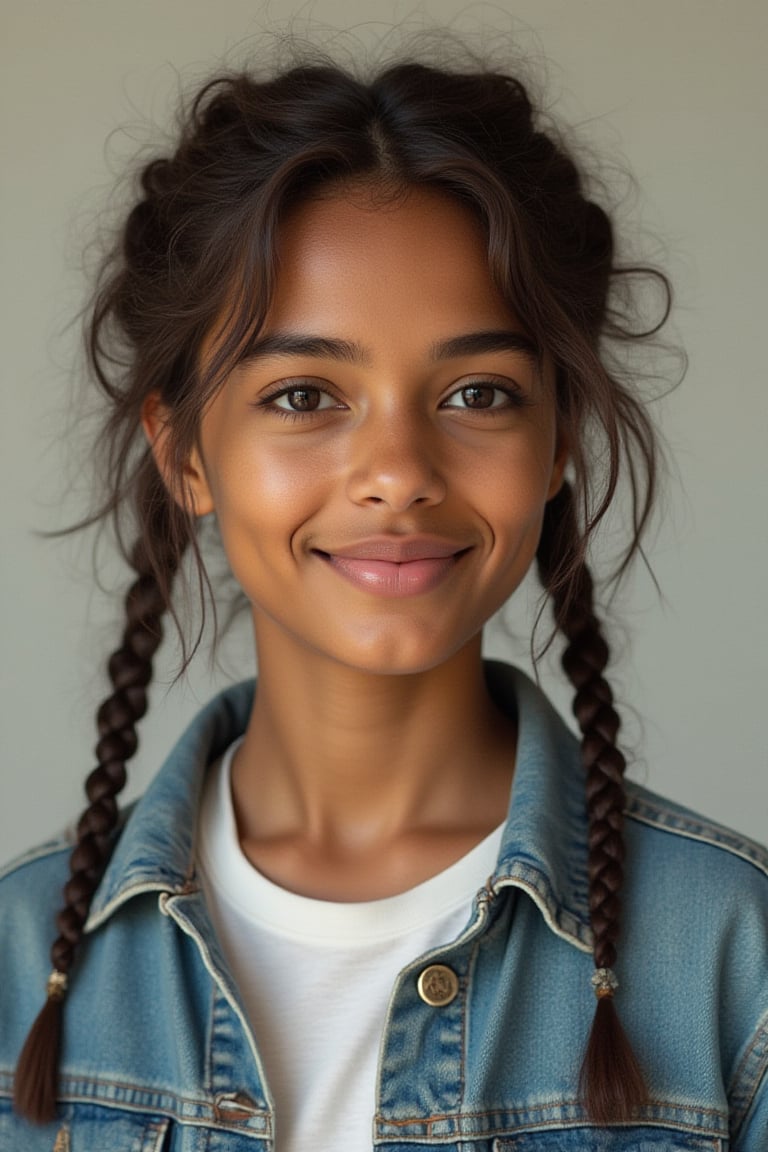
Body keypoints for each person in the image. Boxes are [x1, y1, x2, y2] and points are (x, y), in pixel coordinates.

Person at [1, 48, 766, 1152]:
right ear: (185, 456)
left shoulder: (734, 963)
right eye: (305, 395)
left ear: (559, 441)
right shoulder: (21, 956)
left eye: (478, 393)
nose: (399, 469)